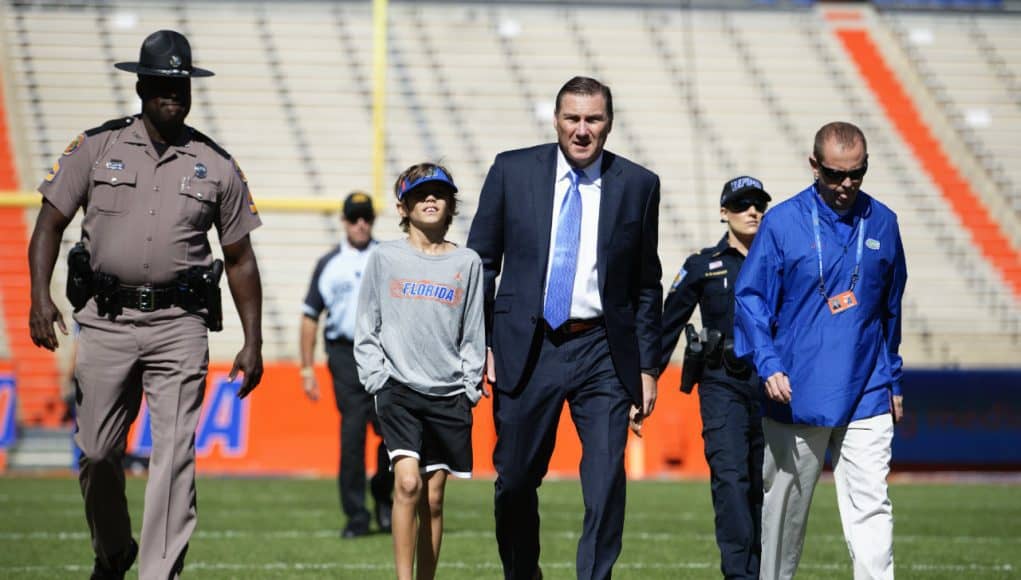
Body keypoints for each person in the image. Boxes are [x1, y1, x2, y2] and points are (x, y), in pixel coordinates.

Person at [27, 30, 264, 579]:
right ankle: (113, 552)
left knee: (174, 454)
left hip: (180, 325)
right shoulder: (95, 146)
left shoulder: (217, 164)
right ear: (140, 85)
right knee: (96, 452)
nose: (173, 93)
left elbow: (241, 259)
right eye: (162, 83)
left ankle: (159, 574)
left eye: (181, 84)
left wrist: (251, 341)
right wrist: (39, 295)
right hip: (106, 322)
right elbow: (48, 225)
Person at [466, 76, 662, 580]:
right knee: (513, 481)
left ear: (609, 124)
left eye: (592, 119)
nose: (581, 130)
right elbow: (481, 265)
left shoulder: (639, 185)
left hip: (602, 351)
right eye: (572, 118)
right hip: (526, 348)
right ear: (555, 120)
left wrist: (647, 367)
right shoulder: (512, 171)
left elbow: (646, 284)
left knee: (604, 483)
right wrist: (482, 342)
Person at [734, 122, 907, 580]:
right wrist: (768, 364)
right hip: (795, 391)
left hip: (868, 390)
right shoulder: (782, 222)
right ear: (814, 166)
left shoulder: (885, 223)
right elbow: (750, 299)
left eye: (857, 173)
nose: (846, 185)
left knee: (871, 507)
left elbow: (891, 309)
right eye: (835, 175)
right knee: (784, 514)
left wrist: (893, 377)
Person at [354, 163, 486, 580]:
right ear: (403, 206)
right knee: (407, 484)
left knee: (433, 498)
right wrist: (376, 377)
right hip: (397, 389)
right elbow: (367, 324)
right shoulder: (385, 257)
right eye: (421, 194)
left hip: (449, 394)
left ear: (451, 206)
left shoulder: (467, 262)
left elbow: (473, 330)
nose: (431, 200)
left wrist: (470, 385)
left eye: (439, 194)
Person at [660, 176, 770, 579]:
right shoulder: (703, 265)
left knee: (766, 485)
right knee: (730, 478)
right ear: (724, 212)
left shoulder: (781, 262)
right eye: (742, 204)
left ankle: (766, 570)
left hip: (773, 387)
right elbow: (667, 325)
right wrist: (644, 379)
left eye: (759, 203)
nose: (753, 211)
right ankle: (740, 575)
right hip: (722, 383)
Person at [300, 191, 394, 538]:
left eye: (366, 217)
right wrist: (306, 368)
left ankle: (385, 495)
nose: (361, 224)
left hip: (384, 354)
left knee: (391, 432)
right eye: (355, 217)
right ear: (344, 221)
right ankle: (357, 515)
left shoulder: (387, 258)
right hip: (344, 354)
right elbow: (310, 316)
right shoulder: (329, 264)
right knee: (352, 434)